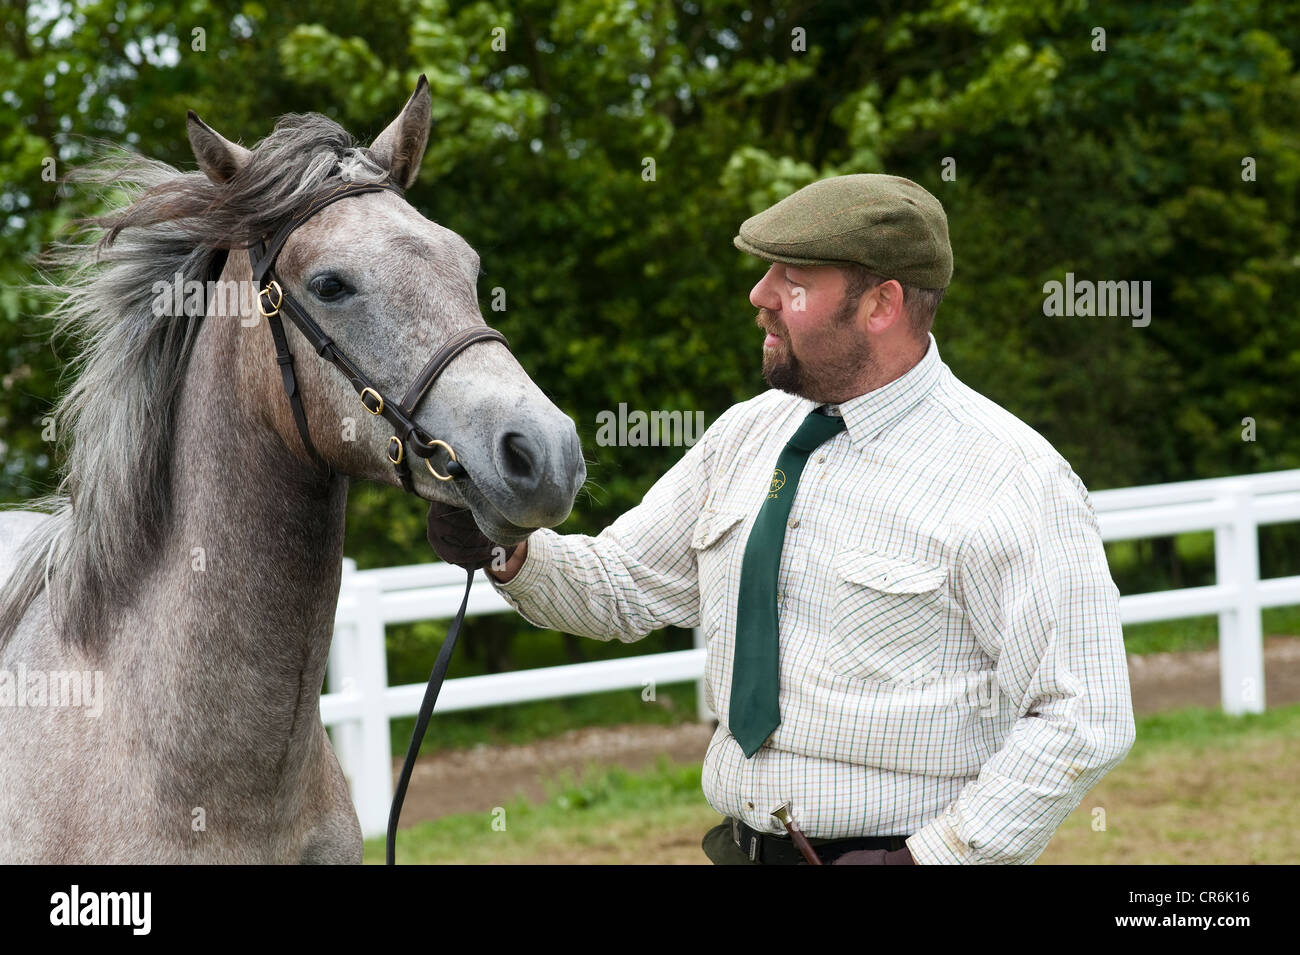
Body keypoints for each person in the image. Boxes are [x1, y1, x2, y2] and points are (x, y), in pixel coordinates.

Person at [426, 174, 1136, 865]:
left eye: (793, 279)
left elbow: (1083, 713)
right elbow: (622, 586)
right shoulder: (746, 434)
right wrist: (507, 549)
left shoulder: (1012, 480)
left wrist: (929, 858)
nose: (759, 295)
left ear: (880, 303)